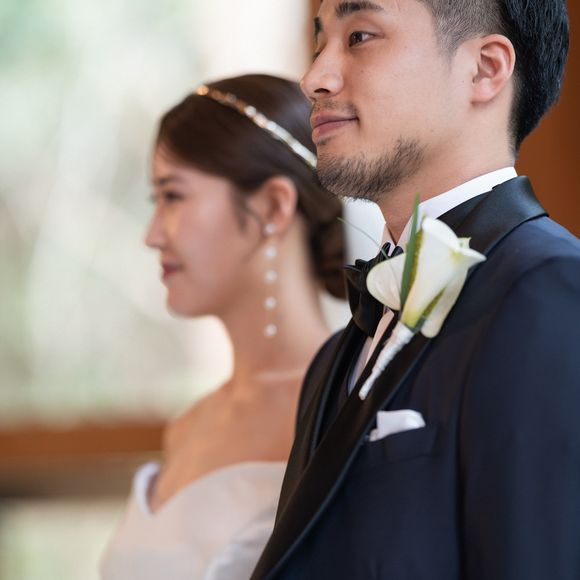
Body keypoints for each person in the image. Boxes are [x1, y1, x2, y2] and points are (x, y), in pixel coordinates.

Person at [251, 1, 580, 579]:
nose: (314, 78)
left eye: (360, 36)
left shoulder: (549, 290)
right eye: (319, 42)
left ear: (484, 69)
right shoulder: (336, 357)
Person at [100, 74, 345, 580]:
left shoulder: (342, 408)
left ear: (273, 206)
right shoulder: (188, 428)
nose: (151, 236)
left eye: (172, 196)